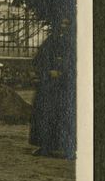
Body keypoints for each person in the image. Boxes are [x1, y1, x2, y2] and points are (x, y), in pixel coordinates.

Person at [30, 18, 76, 158]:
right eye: (61, 23)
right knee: (45, 113)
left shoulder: (76, 40)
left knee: (66, 114)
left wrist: (62, 71)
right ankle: (45, 146)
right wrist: (48, 70)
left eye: (66, 24)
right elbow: (40, 58)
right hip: (49, 83)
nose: (63, 26)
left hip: (67, 84)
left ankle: (69, 149)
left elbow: (75, 60)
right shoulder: (51, 40)